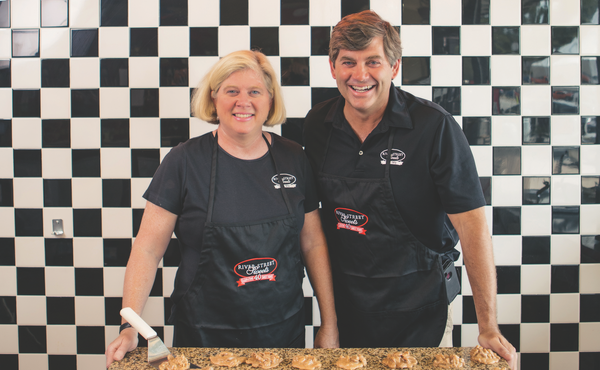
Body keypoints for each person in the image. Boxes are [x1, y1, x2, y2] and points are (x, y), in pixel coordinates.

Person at [303, 10, 516, 368]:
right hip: (349, 308)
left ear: (394, 66)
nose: (360, 75)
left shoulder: (433, 127)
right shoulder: (317, 125)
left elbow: (472, 227)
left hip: (422, 309)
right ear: (332, 67)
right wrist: (328, 322)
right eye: (348, 63)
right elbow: (311, 227)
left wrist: (488, 326)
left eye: (373, 61)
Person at [106, 50, 339, 368]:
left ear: (270, 100)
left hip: (282, 334)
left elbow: (312, 243)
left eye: (254, 91)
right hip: (204, 338)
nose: (243, 102)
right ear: (214, 98)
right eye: (232, 91)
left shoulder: (294, 158)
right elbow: (147, 249)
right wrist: (129, 326)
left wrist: (330, 324)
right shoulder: (184, 161)